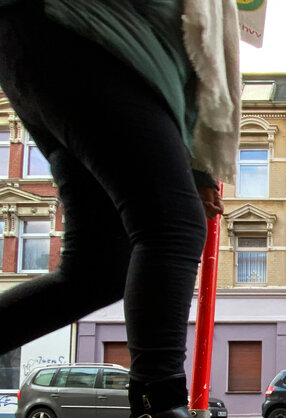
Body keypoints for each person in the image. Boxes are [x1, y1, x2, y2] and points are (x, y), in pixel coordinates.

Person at [0, 1, 240, 417]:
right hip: (94, 36)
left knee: (99, 271)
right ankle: (159, 406)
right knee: (172, 224)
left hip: (54, 44)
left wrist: (200, 171)